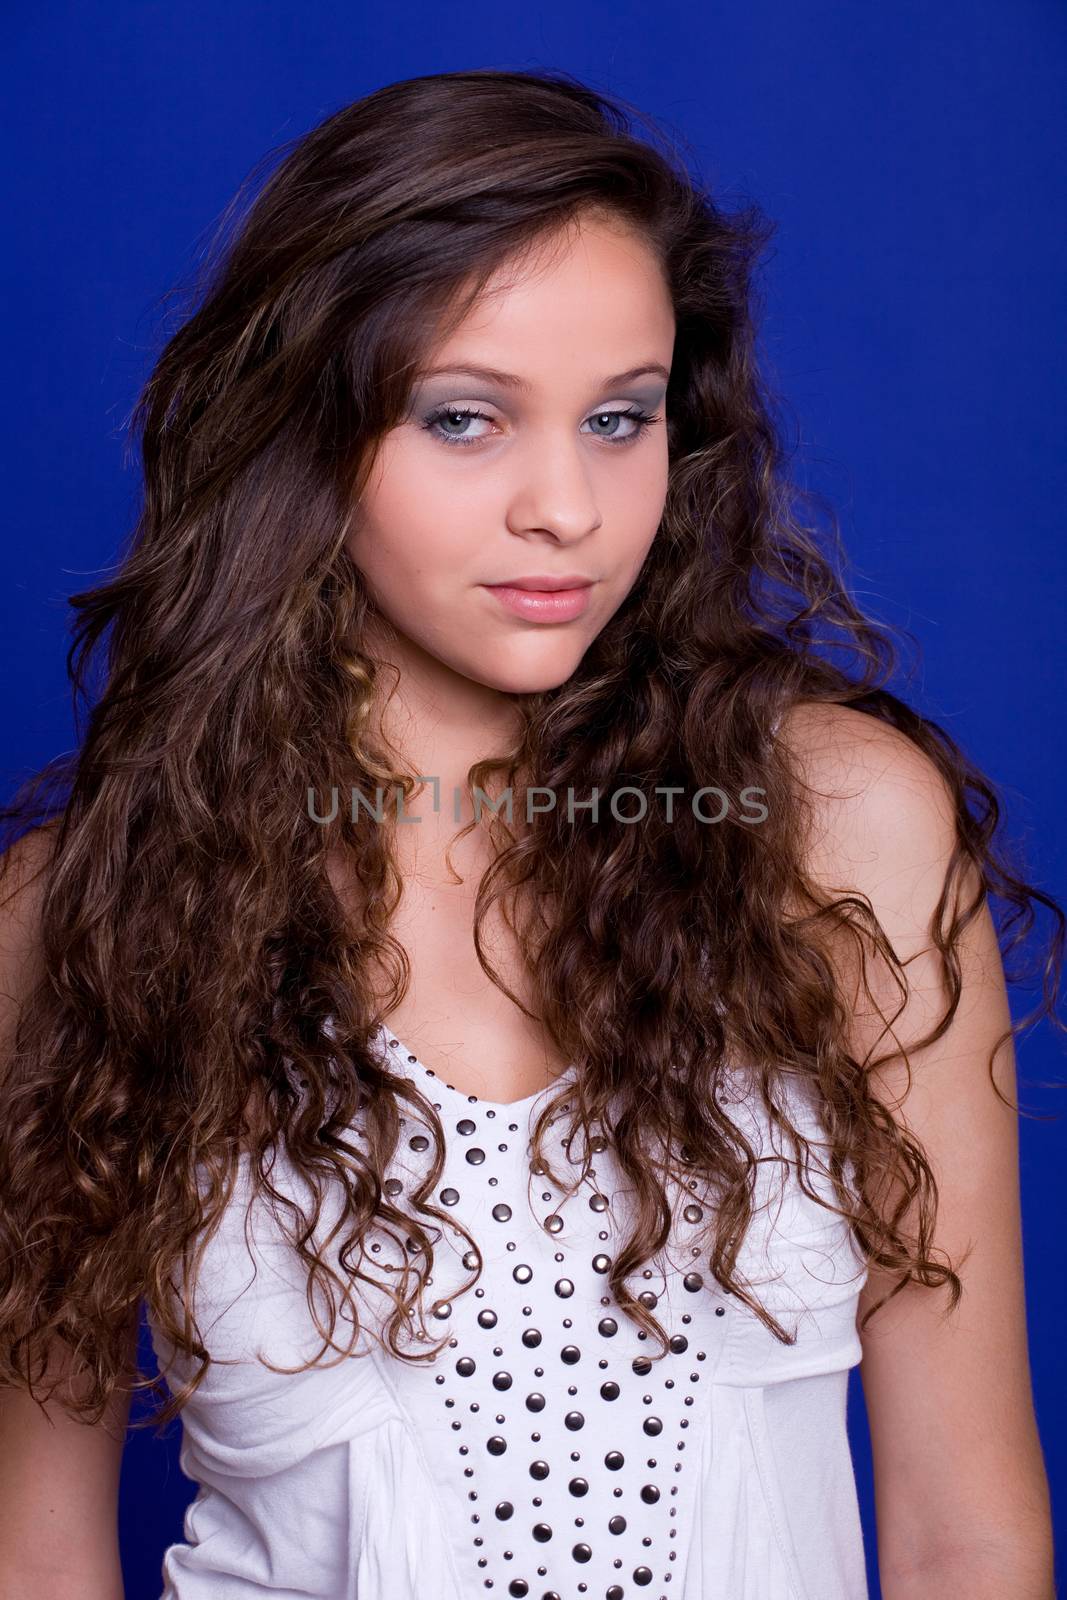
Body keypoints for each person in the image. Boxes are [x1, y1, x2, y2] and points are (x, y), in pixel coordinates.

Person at [0, 66, 1058, 1600]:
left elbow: (970, 1531)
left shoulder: (836, 836)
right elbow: (32, 1552)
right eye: (466, 418)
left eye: (620, 416)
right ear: (307, 432)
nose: (568, 504)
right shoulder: (80, 918)